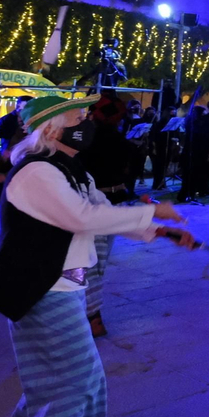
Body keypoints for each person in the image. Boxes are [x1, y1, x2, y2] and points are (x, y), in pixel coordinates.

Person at [0, 94, 195, 417]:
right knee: (74, 381)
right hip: (42, 290)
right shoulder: (37, 172)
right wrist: (152, 218)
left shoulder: (69, 170)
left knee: (50, 383)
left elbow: (101, 212)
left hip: (61, 287)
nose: (88, 121)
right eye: (79, 117)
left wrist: (160, 230)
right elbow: (82, 219)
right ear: (53, 129)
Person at [80, 93, 135, 338]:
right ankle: (92, 315)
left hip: (94, 203)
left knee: (91, 262)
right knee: (99, 260)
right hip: (115, 201)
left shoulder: (86, 139)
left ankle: (92, 316)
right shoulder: (121, 141)